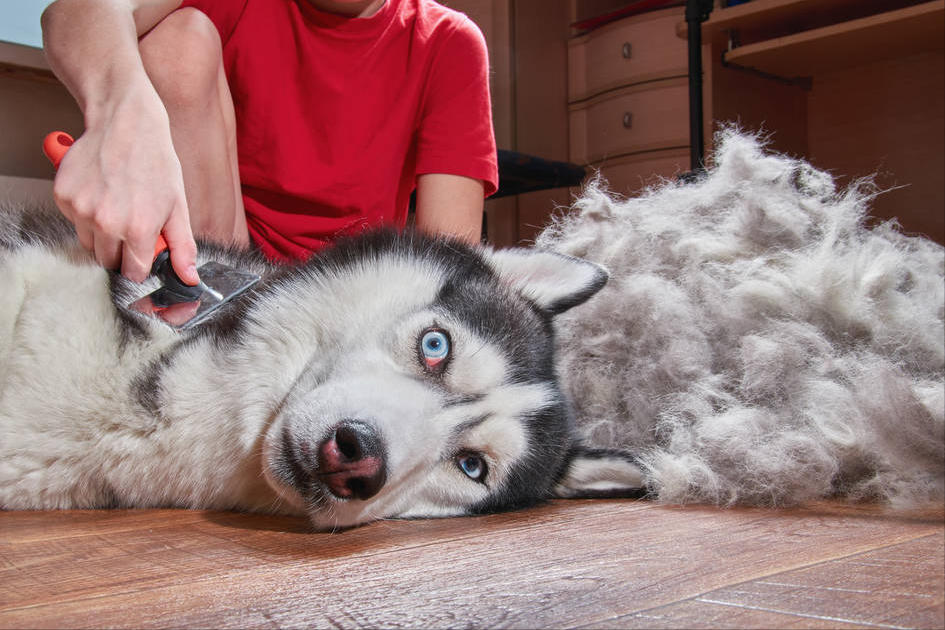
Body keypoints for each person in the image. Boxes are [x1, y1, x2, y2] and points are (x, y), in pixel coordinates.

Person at [40, 0, 499, 285]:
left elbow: (449, 264)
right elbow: (79, 10)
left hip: (352, 296)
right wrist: (119, 117)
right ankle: (202, 310)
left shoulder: (447, 43)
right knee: (179, 42)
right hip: (231, 265)